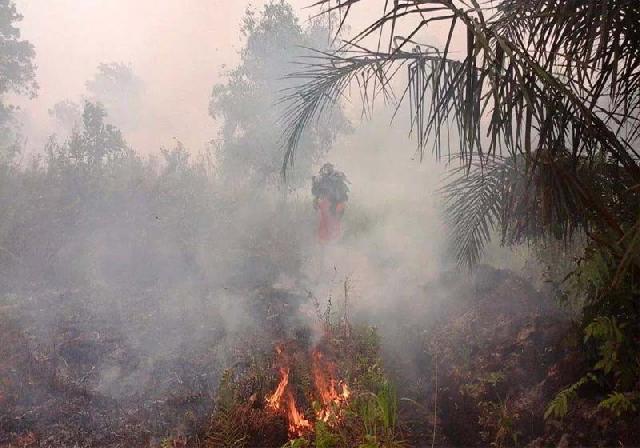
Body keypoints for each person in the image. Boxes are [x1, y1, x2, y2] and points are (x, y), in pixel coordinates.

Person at [311, 163, 349, 241]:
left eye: (329, 167)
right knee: (325, 222)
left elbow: (342, 195)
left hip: (335, 204)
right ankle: (326, 240)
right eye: (327, 168)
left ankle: (332, 239)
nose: (328, 169)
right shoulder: (322, 179)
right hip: (327, 204)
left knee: (334, 222)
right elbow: (316, 193)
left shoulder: (336, 178)